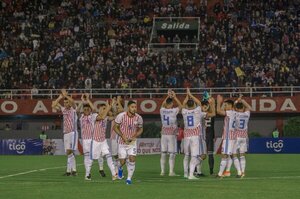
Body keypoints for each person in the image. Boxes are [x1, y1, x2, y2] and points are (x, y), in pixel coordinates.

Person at [181, 88, 215, 180]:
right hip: (195, 136)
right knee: (194, 156)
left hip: (187, 136)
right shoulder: (197, 111)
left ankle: (185, 173)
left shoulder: (184, 112)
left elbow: (183, 104)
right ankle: (191, 174)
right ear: (195, 105)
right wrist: (191, 94)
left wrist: (187, 95)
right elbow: (200, 103)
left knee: (186, 155)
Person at [113, 101, 143, 185]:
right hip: (122, 142)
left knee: (132, 159)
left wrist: (136, 135)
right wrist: (122, 136)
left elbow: (141, 128)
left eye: (135, 107)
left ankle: (129, 179)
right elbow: (115, 127)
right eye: (132, 107)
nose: (134, 109)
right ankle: (119, 168)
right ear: (128, 107)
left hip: (132, 142)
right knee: (122, 162)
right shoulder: (121, 116)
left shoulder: (138, 118)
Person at [52, 89, 78, 176]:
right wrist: (60, 97)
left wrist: (66, 95)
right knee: (69, 153)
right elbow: (53, 105)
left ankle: (68, 171)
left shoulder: (73, 109)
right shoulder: (64, 110)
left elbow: (73, 102)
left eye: (67, 103)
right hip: (66, 133)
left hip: (73, 133)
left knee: (69, 152)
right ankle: (73, 170)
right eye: (64, 103)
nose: (65, 104)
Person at [90, 101, 118, 181]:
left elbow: (114, 117)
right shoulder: (94, 116)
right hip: (95, 141)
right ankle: (88, 174)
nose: (104, 110)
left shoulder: (106, 118)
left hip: (103, 141)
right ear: (99, 110)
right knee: (92, 159)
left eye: (105, 109)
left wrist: (113, 107)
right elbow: (101, 117)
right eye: (102, 109)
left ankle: (114, 174)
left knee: (108, 155)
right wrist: (108, 107)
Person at [159, 90, 183, 176]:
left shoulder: (162, 110)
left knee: (163, 153)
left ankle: (162, 171)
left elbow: (162, 104)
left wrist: (167, 96)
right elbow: (181, 106)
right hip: (171, 134)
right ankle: (171, 172)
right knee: (172, 154)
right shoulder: (173, 111)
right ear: (171, 104)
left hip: (164, 134)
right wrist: (175, 97)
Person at [215, 95, 238, 178]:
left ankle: (220, 174)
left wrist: (218, 102)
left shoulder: (230, 112)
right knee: (231, 155)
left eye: (227, 105)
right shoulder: (235, 112)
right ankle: (236, 172)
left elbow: (218, 111)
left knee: (224, 155)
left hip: (228, 137)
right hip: (233, 137)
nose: (225, 106)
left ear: (231, 106)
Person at [77, 93, 97, 180]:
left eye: (87, 109)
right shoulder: (81, 117)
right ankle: (87, 174)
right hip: (85, 140)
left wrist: (88, 100)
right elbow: (77, 110)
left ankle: (88, 172)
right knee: (86, 156)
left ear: (89, 110)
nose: (86, 111)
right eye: (84, 109)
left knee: (91, 156)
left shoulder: (92, 117)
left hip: (92, 139)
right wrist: (82, 101)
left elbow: (94, 109)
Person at [233, 97, 251, 178]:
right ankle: (243, 172)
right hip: (244, 137)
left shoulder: (235, 114)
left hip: (236, 136)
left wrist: (237, 100)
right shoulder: (246, 114)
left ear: (236, 108)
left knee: (233, 155)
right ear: (243, 107)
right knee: (242, 155)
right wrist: (243, 101)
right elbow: (249, 107)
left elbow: (232, 106)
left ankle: (239, 171)